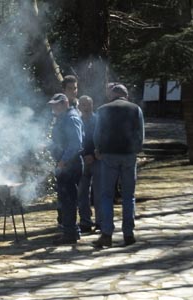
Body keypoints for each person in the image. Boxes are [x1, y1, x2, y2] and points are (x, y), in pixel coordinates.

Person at [92, 84, 145, 247]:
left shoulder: (102, 110)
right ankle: (128, 234)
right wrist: (137, 149)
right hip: (129, 155)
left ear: (112, 95)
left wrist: (97, 149)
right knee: (129, 196)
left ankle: (107, 234)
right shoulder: (135, 109)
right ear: (126, 95)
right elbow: (140, 134)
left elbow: (97, 133)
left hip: (108, 155)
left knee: (107, 195)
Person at [48, 93, 84, 245]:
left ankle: (70, 233)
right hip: (66, 164)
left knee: (69, 199)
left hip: (71, 164)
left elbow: (76, 143)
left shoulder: (71, 118)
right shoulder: (63, 118)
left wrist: (63, 160)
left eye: (56, 104)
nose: (53, 107)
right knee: (66, 198)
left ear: (65, 103)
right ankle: (71, 231)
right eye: (53, 105)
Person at [77, 95, 101, 233]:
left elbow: (102, 137)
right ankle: (85, 222)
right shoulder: (77, 120)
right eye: (83, 105)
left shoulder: (98, 120)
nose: (85, 107)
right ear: (79, 106)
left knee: (98, 193)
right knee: (82, 193)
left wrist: (93, 154)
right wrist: (83, 155)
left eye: (88, 104)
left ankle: (100, 222)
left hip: (97, 160)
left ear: (92, 105)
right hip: (82, 161)